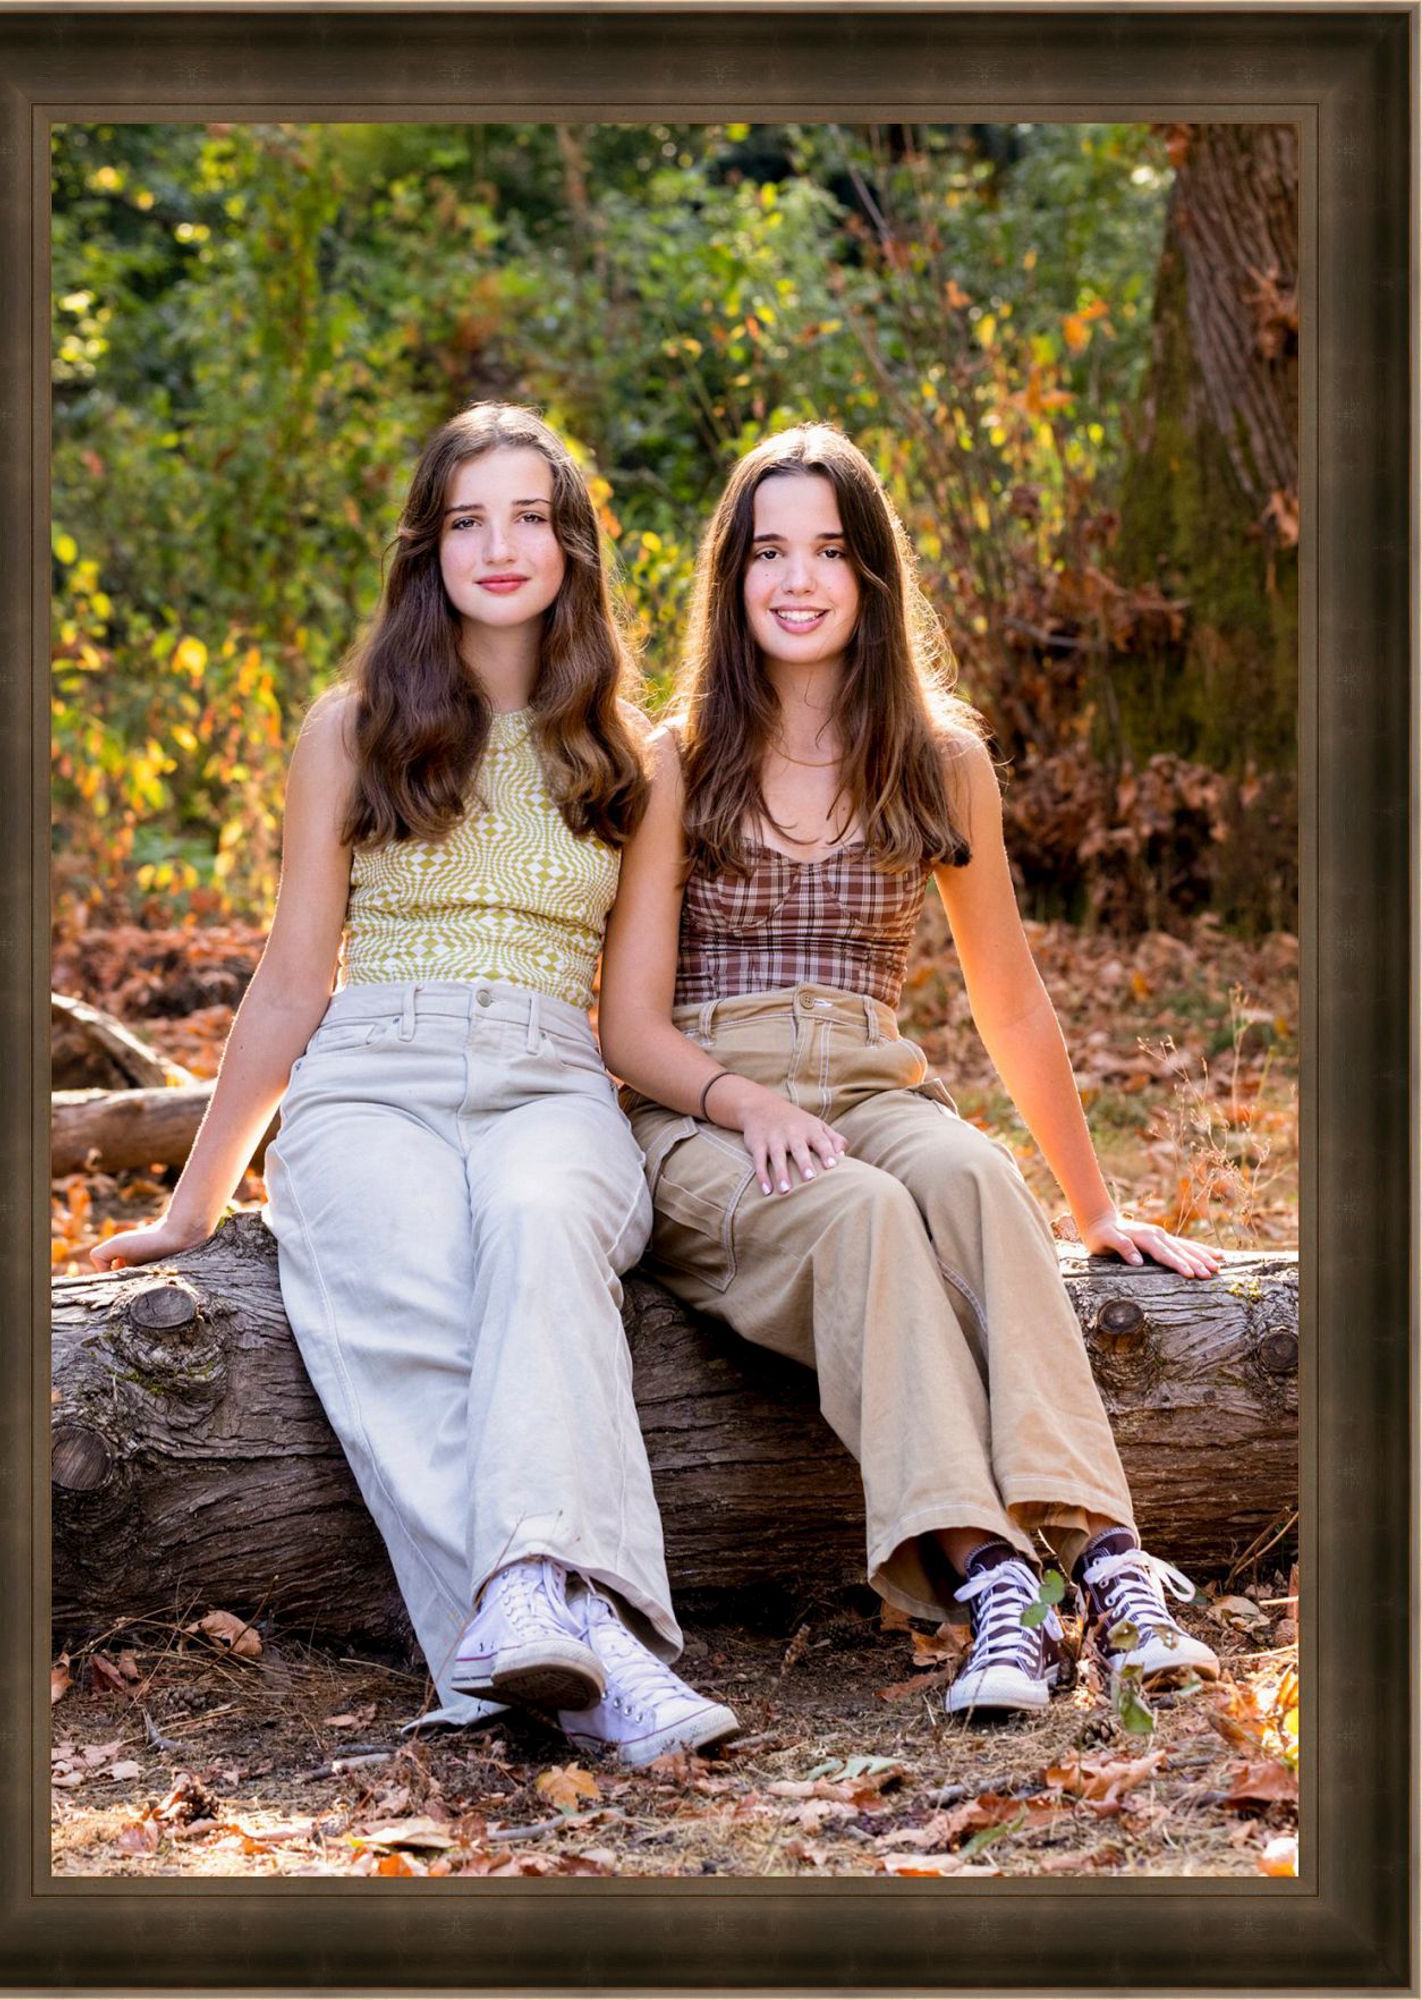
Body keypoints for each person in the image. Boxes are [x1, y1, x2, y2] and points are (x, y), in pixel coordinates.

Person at [92, 403, 738, 1767]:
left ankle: (534, 1620)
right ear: (427, 548)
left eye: (528, 518)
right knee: (406, 1318)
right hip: (370, 1074)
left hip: (551, 1077)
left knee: (541, 1233)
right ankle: (593, 1652)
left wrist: (738, 1103)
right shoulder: (353, 726)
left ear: (571, 545)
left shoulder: (637, 757)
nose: (499, 547)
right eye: (466, 521)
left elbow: (629, 1022)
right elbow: (289, 980)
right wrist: (197, 1199)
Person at [598, 424, 1223, 1717]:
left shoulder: (938, 759)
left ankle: (1105, 1563)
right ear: (730, 579)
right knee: (864, 1211)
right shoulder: (674, 758)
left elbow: (1006, 995)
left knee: (973, 1178)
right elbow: (625, 1025)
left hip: (876, 1089)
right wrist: (742, 1100)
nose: (796, 577)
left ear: (871, 579)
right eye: (767, 551)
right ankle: (991, 1582)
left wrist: (1095, 1207)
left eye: (827, 550)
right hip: (704, 1110)